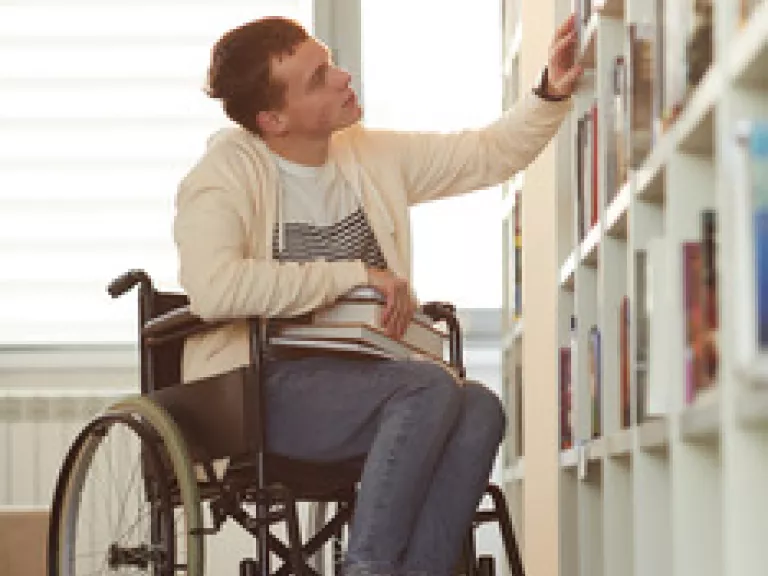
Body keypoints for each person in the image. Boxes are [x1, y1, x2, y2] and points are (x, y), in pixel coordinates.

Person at [174, 13, 581, 576]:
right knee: (428, 387)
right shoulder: (224, 174)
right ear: (273, 119)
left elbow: (486, 153)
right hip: (262, 389)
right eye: (319, 78)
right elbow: (214, 289)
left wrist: (549, 93)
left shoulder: (365, 153)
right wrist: (354, 275)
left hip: (371, 377)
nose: (343, 77)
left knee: (481, 406)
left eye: (331, 61)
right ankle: (368, 567)